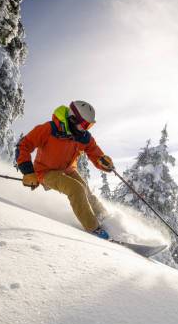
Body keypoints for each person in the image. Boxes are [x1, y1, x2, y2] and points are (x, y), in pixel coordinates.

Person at [15, 101, 115, 239]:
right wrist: (28, 171)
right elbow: (23, 145)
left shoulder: (82, 136)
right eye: (85, 125)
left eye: (89, 125)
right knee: (76, 189)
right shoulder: (49, 129)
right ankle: (94, 229)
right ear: (73, 118)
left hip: (68, 169)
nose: (86, 129)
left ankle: (105, 218)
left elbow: (93, 151)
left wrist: (103, 161)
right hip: (45, 171)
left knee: (85, 190)